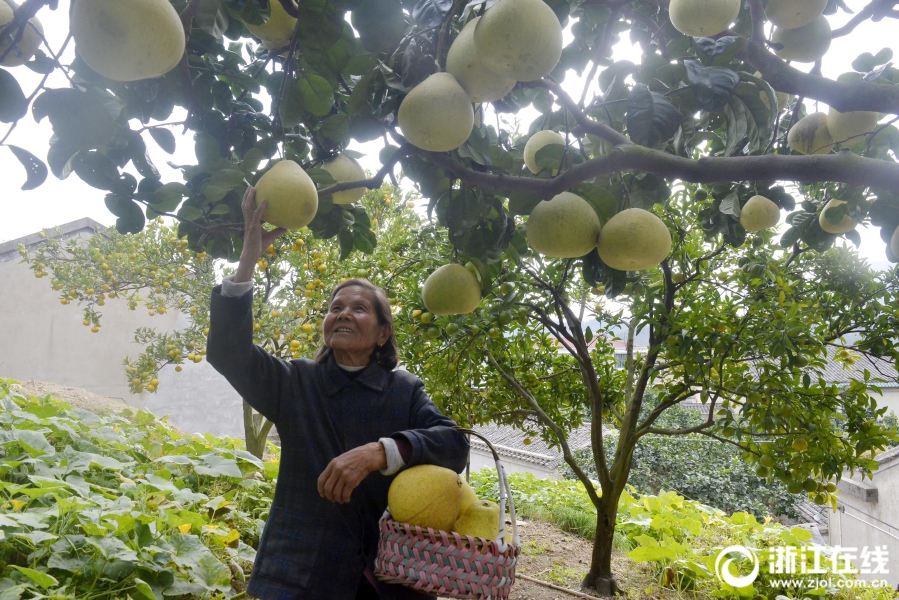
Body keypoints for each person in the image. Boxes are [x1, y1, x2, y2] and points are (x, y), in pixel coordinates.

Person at [206, 186, 471, 599]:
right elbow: (228, 351)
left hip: (390, 577)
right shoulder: (296, 382)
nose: (344, 312)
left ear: (383, 334)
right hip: (301, 574)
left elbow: (454, 445)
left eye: (360, 308)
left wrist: (377, 453)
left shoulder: (404, 389)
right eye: (336, 307)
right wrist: (248, 258)